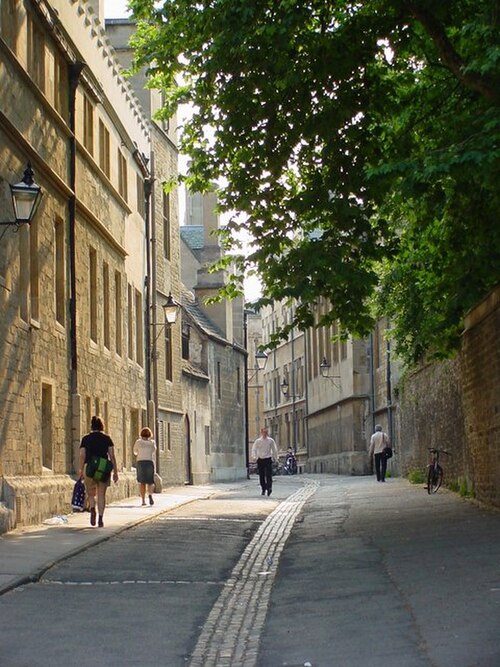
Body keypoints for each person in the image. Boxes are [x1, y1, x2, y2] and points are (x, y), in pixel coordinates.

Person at [79, 416, 118, 527]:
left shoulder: (85, 439)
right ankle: (100, 518)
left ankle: (92, 509)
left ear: (91, 426)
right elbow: (112, 456)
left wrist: (81, 469)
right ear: (102, 426)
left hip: (89, 467)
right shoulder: (107, 438)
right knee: (101, 494)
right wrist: (115, 471)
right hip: (103, 467)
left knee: (91, 493)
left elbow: (82, 455)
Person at [251, 427, 279, 496]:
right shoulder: (258, 441)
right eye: (264, 432)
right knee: (262, 475)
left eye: (266, 432)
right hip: (260, 459)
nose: (265, 434)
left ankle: (269, 488)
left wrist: (276, 458)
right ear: (261, 433)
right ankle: (263, 488)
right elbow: (254, 449)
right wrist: (254, 456)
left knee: (269, 475)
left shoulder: (270, 441)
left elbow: (274, 449)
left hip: (268, 459)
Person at [133, 427, 157, 506]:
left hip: (140, 462)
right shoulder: (152, 442)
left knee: (142, 482)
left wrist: (140, 452)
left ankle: (143, 500)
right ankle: (150, 494)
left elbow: (135, 452)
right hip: (149, 462)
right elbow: (153, 451)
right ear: (150, 434)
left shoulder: (138, 442)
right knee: (150, 482)